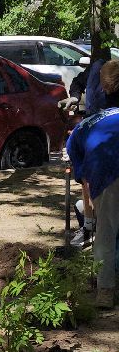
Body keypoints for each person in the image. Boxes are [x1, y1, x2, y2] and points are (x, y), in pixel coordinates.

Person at [66, 100, 119, 308]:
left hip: (105, 171)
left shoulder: (82, 127)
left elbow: (82, 175)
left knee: (105, 232)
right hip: (106, 169)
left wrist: (89, 221)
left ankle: (105, 292)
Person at [69, 55, 118, 249]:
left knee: (108, 228)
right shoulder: (95, 70)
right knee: (88, 183)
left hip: (104, 129)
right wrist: (74, 96)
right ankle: (89, 226)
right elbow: (77, 82)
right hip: (95, 132)